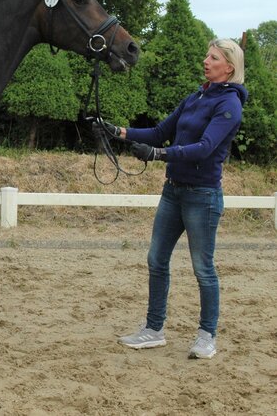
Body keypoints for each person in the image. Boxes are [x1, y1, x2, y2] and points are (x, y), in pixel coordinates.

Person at [93, 38, 247, 359]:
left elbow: (204, 148)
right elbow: (159, 132)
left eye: (213, 58)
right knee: (156, 259)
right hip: (173, 191)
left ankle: (207, 336)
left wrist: (158, 154)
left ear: (229, 68)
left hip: (202, 196)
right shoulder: (196, 97)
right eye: (206, 55)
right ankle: (154, 329)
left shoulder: (229, 105)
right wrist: (118, 132)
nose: (206, 61)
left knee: (203, 268)